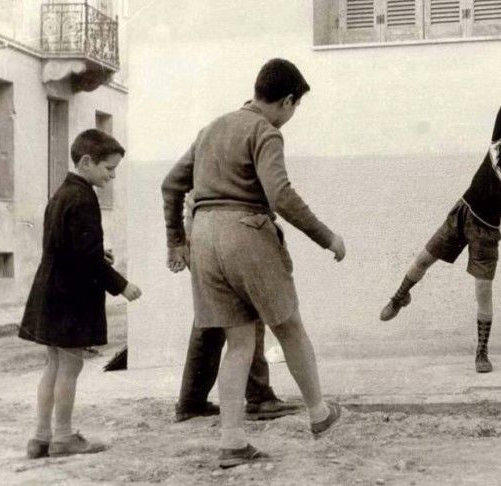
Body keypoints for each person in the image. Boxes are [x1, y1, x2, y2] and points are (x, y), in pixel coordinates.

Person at [162, 58, 345, 468]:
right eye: (295, 107)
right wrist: (327, 237)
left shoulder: (211, 129)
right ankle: (319, 414)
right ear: (287, 101)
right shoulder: (266, 131)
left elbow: (171, 184)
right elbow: (280, 195)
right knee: (289, 327)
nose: (292, 115)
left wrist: (176, 241)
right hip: (245, 232)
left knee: (239, 342)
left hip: (203, 238)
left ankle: (232, 442)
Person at [380, 98, 501, 373]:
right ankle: (399, 297)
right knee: (423, 260)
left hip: (486, 232)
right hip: (462, 213)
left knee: (483, 292)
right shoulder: (499, 146)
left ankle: (482, 350)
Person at [19, 129, 142, 459]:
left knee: (53, 365)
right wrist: (122, 285)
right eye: (109, 168)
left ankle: (40, 437)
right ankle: (63, 437)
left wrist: (98, 255)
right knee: (70, 368)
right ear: (87, 162)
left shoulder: (62, 193)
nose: (112, 176)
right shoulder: (84, 198)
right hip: (71, 296)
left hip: (51, 290)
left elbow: (68, 247)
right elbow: (86, 258)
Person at [175, 193, 302, 423]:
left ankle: (192, 401)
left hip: (205, 232)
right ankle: (258, 397)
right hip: (227, 231)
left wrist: (177, 240)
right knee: (247, 312)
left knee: (213, 318)